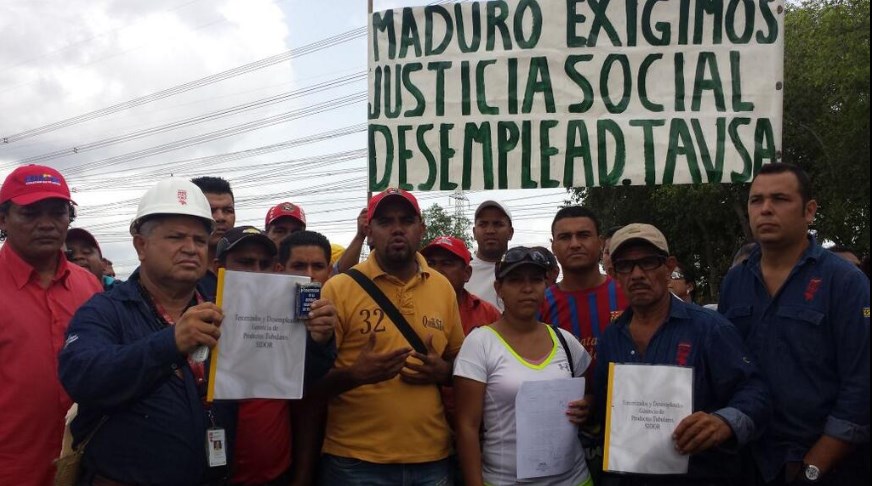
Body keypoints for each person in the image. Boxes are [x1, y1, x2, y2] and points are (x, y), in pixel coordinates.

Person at [58, 177, 237, 485]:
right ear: (141, 245)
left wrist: (316, 342)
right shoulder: (106, 310)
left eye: (198, 239)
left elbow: (276, 379)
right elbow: (81, 375)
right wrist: (170, 343)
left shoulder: (220, 309)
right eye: (176, 237)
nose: (191, 248)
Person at [718, 163, 870, 486]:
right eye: (756, 200)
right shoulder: (734, 283)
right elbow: (726, 369)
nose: (766, 209)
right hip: (749, 460)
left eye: (780, 199)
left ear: (809, 210)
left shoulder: (844, 282)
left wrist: (813, 469)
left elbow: (861, 386)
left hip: (827, 464)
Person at [597, 223, 771, 486]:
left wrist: (724, 422)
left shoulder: (710, 328)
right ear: (614, 274)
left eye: (648, 263)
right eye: (625, 266)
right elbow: (605, 407)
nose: (637, 274)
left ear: (668, 267)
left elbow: (755, 392)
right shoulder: (611, 338)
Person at [315, 188, 464, 485]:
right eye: (385, 221)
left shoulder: (443, 287)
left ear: (421, 228)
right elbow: (312, 383)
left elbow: (461, 365)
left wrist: (445, 372)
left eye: (406, 220)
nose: (397, 229)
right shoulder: (339, 288)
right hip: (355, 461)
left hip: (431, 460)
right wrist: (355, 375)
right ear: (369, 232)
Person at [454, 246, 593, 486]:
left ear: (545, 286)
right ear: (499, 289)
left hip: (575, 479)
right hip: (504, 480)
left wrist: (588, 405)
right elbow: (467, 426)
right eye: (515, 280)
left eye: (536, 280)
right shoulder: (479, 344)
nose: (527, 289)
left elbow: (593, 392)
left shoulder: (565, 341)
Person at [0, 164, 103, 485]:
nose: (46, 224)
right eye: (30, 213)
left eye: (58, 212)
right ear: (3, 219)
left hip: (86, 466)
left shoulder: (90, 287)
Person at [216, 226, 336, 486]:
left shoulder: (308, 318)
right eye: (245, 263)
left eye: (263, 263)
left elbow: (308, 391)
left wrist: (321, 343)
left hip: (274, 471)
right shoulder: (199, 309)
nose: (256, 272)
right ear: (218, 268)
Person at [539, 206, 629, 480]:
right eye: (565, 237)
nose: (575, 243)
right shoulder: (540, 304)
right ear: (553, 246)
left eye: (583, 235)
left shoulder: (628, 293)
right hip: (559, 437)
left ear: (601, 242)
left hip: (626, 431)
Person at [274, 229, 341, 486]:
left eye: (318, 266)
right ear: (280, 269)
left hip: (321, 449)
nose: (309, 274)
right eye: (299, 265)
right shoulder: (258, 315)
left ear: (329, 272)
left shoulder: (333, 316)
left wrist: (322, 342)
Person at [422, 235, 501, 334]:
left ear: (467, 273)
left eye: (447, 263)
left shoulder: (488, 314)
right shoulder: (412, 308)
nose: (436, 271)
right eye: (430, 263)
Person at [191, 176, 236, 299]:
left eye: (228, 210)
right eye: (211, 210)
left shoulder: (248, 266)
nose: (220, 217)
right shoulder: (178, 273)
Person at [468, 200, 514, 309]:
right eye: (483, 224)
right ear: (474, 232)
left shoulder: (523, 272)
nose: (490, 231)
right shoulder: (462, 272)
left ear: (510, 232)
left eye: (498, 224)